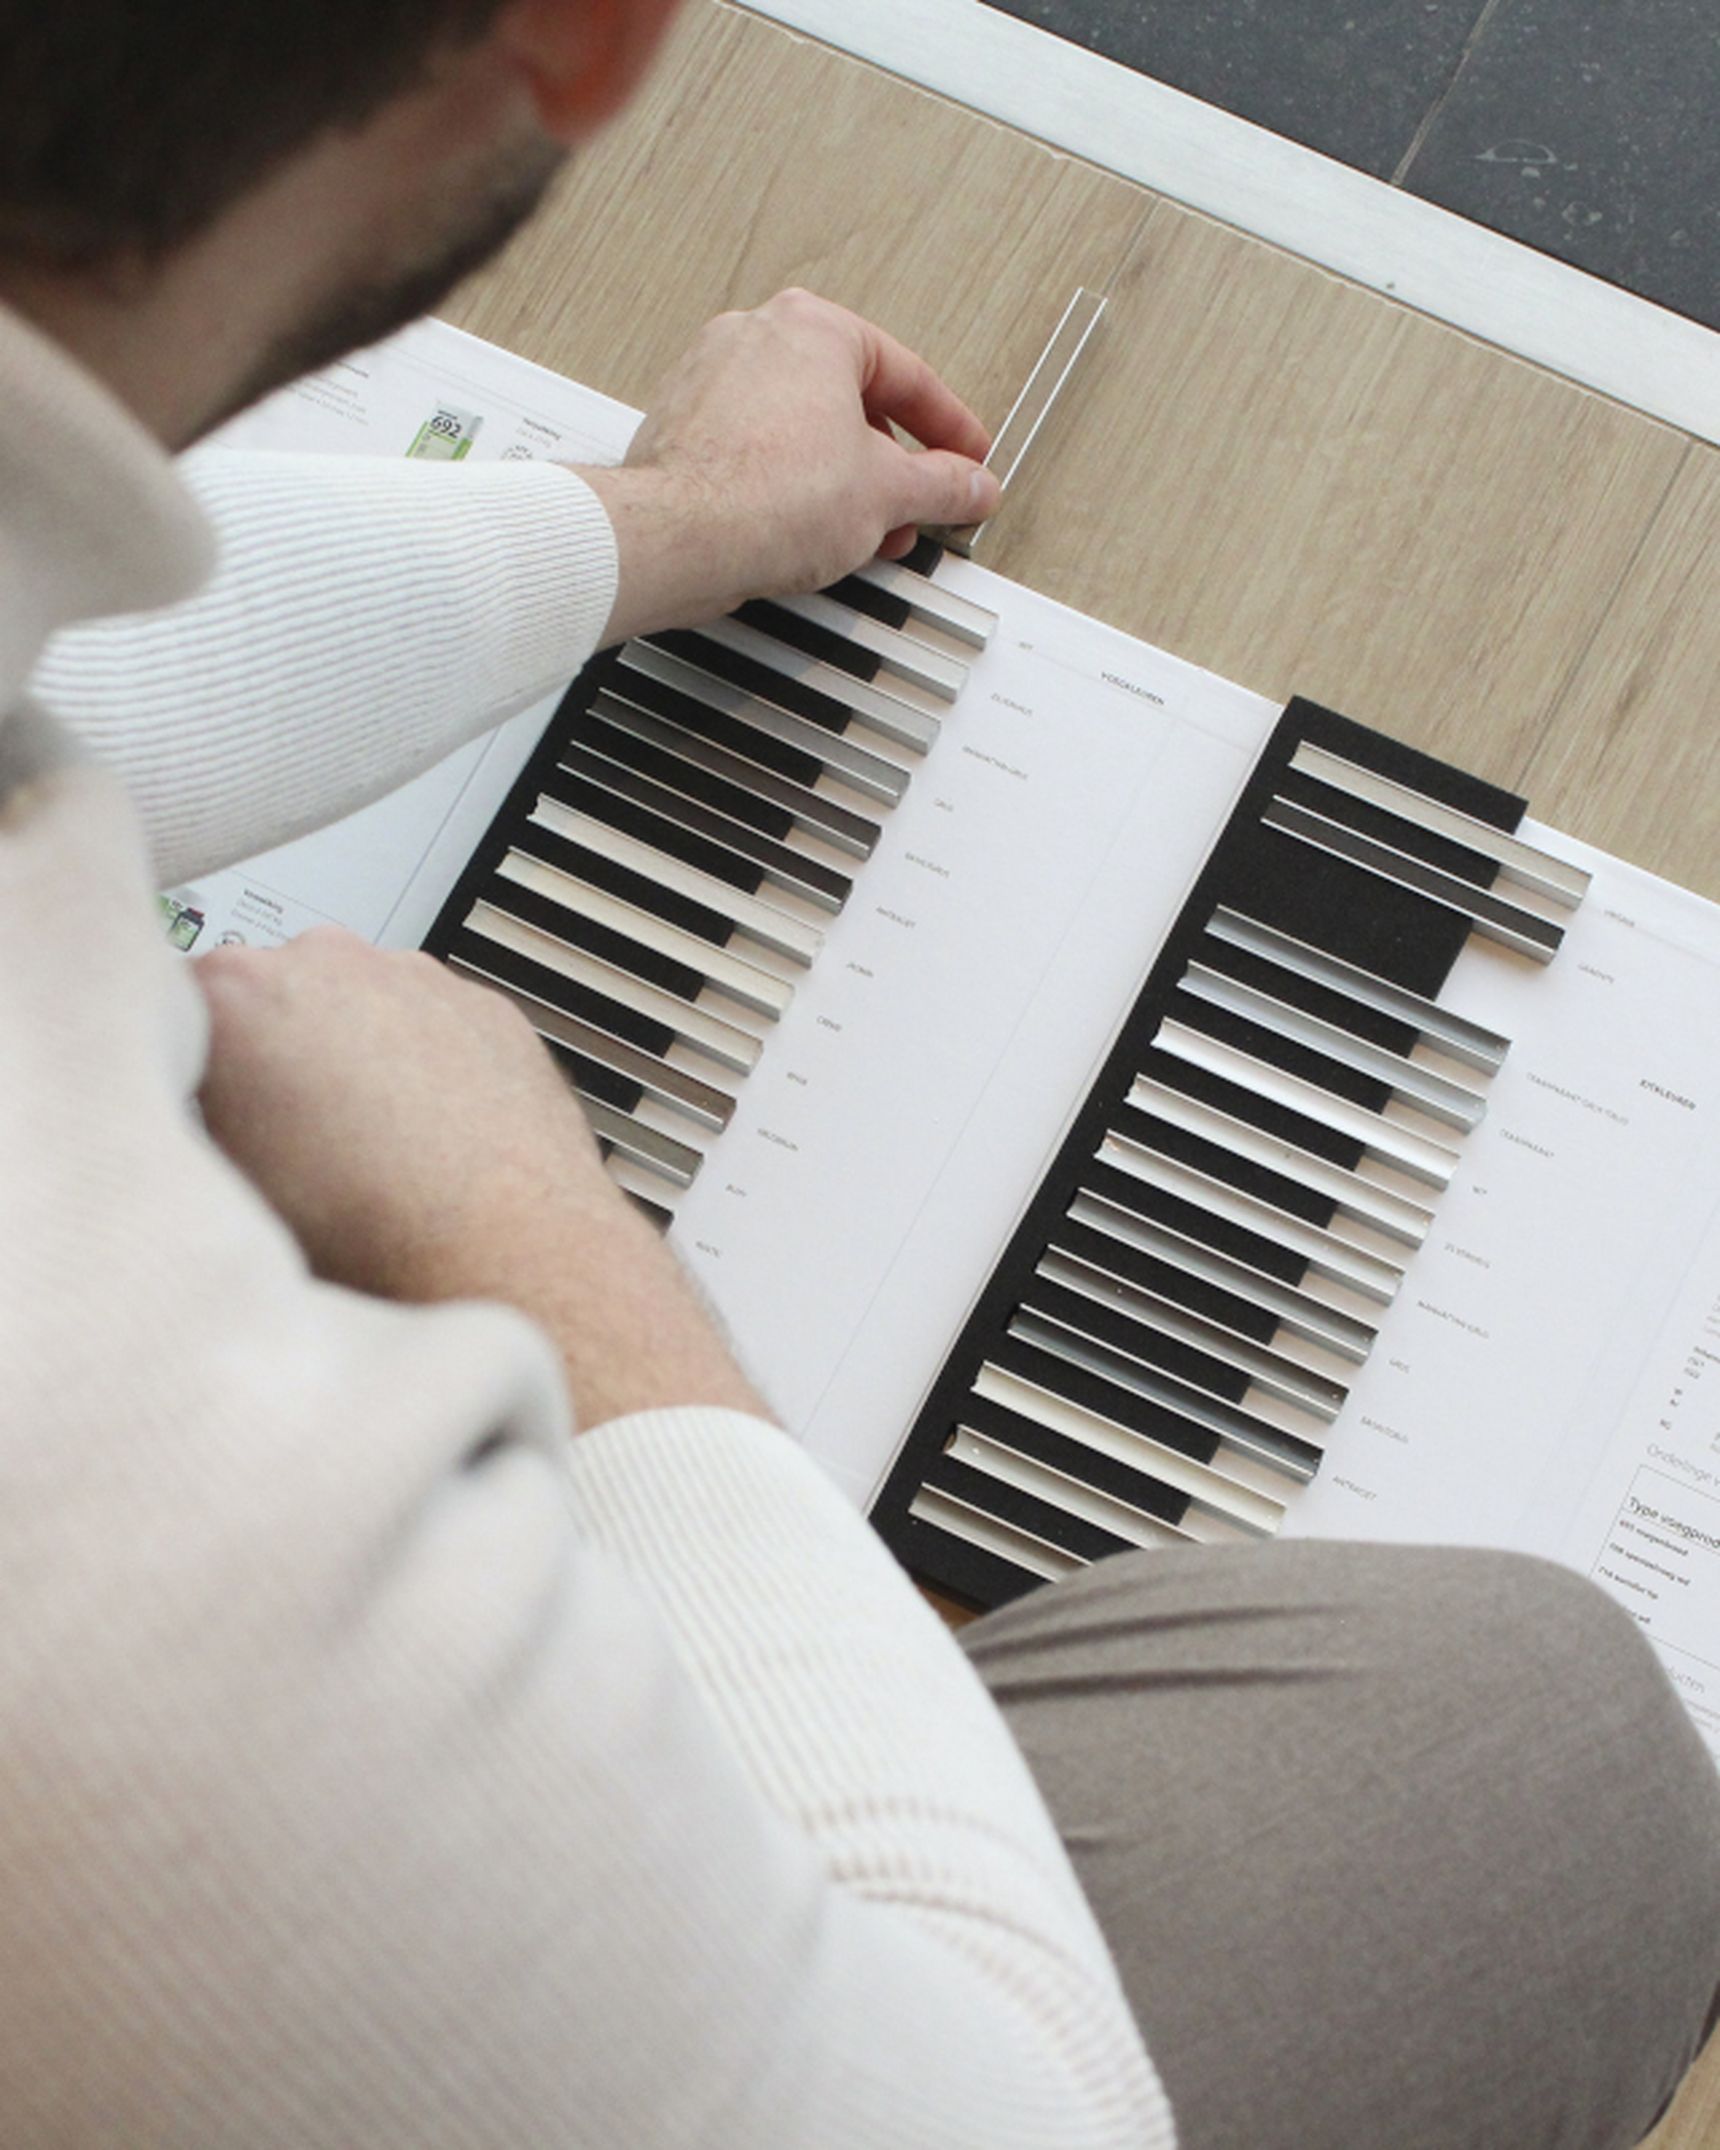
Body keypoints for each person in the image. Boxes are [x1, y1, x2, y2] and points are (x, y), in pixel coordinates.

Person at [3, 3, 1717, 2145]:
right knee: (1528, 1772)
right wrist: (523, 1236)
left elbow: (45, 605)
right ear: (590, 50)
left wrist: (665, 516)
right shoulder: (121, 1518)